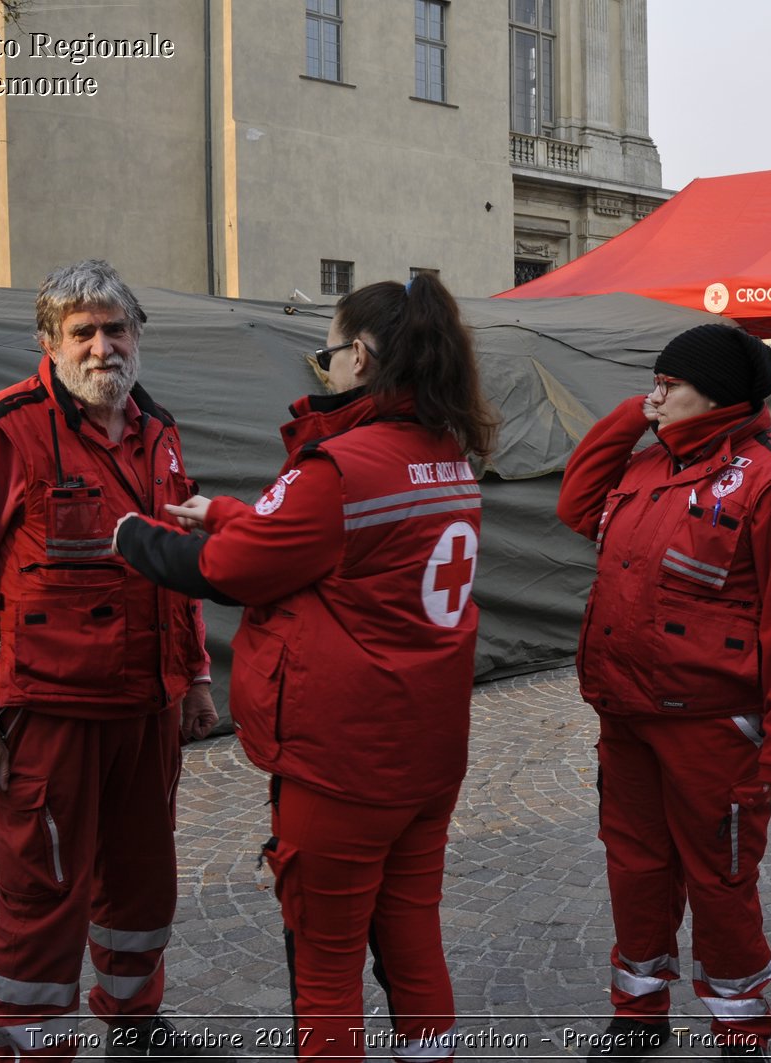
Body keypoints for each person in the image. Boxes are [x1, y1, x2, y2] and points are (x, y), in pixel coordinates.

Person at [114, 274, 497, 1061]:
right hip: (426, 749)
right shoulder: (445, 451)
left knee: (325, 962)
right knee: (413, 934)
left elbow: (232, 570)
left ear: (360, 354)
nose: (323, 372)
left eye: (326, 355)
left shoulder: (341, 464)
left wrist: (130, 536)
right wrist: (223, 509)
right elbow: (327, 544)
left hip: (342, 759)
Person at [0, 260, 218, 1060]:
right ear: (49, 343)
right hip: (47, 717)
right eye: (81, 332)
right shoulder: (3, 431)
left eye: (115, 329)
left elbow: (175, 561)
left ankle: (135, 1025)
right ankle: (29, 1047)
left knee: (143, 880)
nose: (101, 347)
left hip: (147, 710)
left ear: (137, 336)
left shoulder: (161, 432)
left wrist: (194, 677)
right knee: (43, 891)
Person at [556, 324, 771, 1060]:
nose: (654, 393)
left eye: (667, 383)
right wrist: (629, 417)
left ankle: (741, 1027)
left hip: (715, 728)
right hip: (627, 714)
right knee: (634, 867)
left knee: (721, 880)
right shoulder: (648, 465)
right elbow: (576, 502)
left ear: (712, 390)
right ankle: (638, 1013)